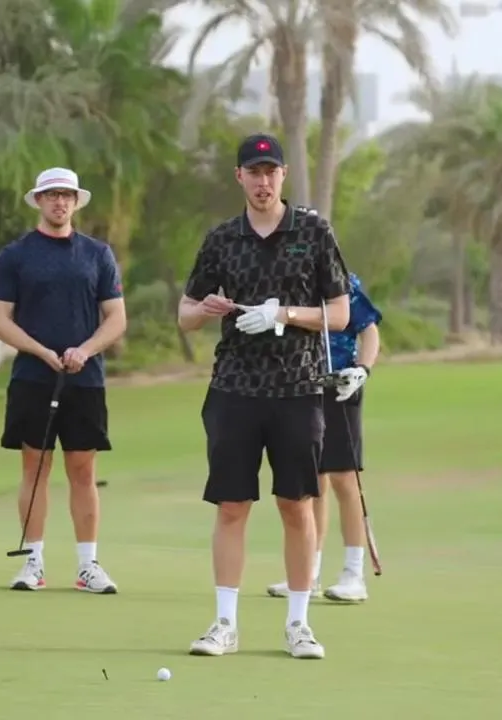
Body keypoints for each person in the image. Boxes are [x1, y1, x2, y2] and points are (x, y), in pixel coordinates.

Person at [178, 133, 351, 660]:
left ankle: (299, 624)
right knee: (232, 505)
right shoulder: (222, 239)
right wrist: (206, 309)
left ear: (283, 175)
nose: (263, 181)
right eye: (253, 172)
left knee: (296, 505)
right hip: (234, 388)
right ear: (239, 177)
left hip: (297, 388)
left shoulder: (313, 232)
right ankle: (224, 624)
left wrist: (284, 314)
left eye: (271, 171)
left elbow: (340, 314)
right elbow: (185, 316)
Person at [0, 167, 127, 594]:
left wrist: (85, 349)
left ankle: (88, 566)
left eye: (66, 195)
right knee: (35, 466)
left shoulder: (97, 254)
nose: (59, 202)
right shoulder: (15, 255)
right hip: (33, 376)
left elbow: (116, 318)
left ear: (76, 201)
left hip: (85, 378)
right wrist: (42, 351)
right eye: (52, 195)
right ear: (39, 201)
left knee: (83, 470)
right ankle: (33, 562)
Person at [266, 271, 382, 603]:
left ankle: (353, 574)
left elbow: (369, 331)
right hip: (301, 387)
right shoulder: (287, 281)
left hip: (341, 384)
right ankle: (309, 572)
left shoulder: (343, 282)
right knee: (312, 481)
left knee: (344, 479)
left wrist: (363, 370)